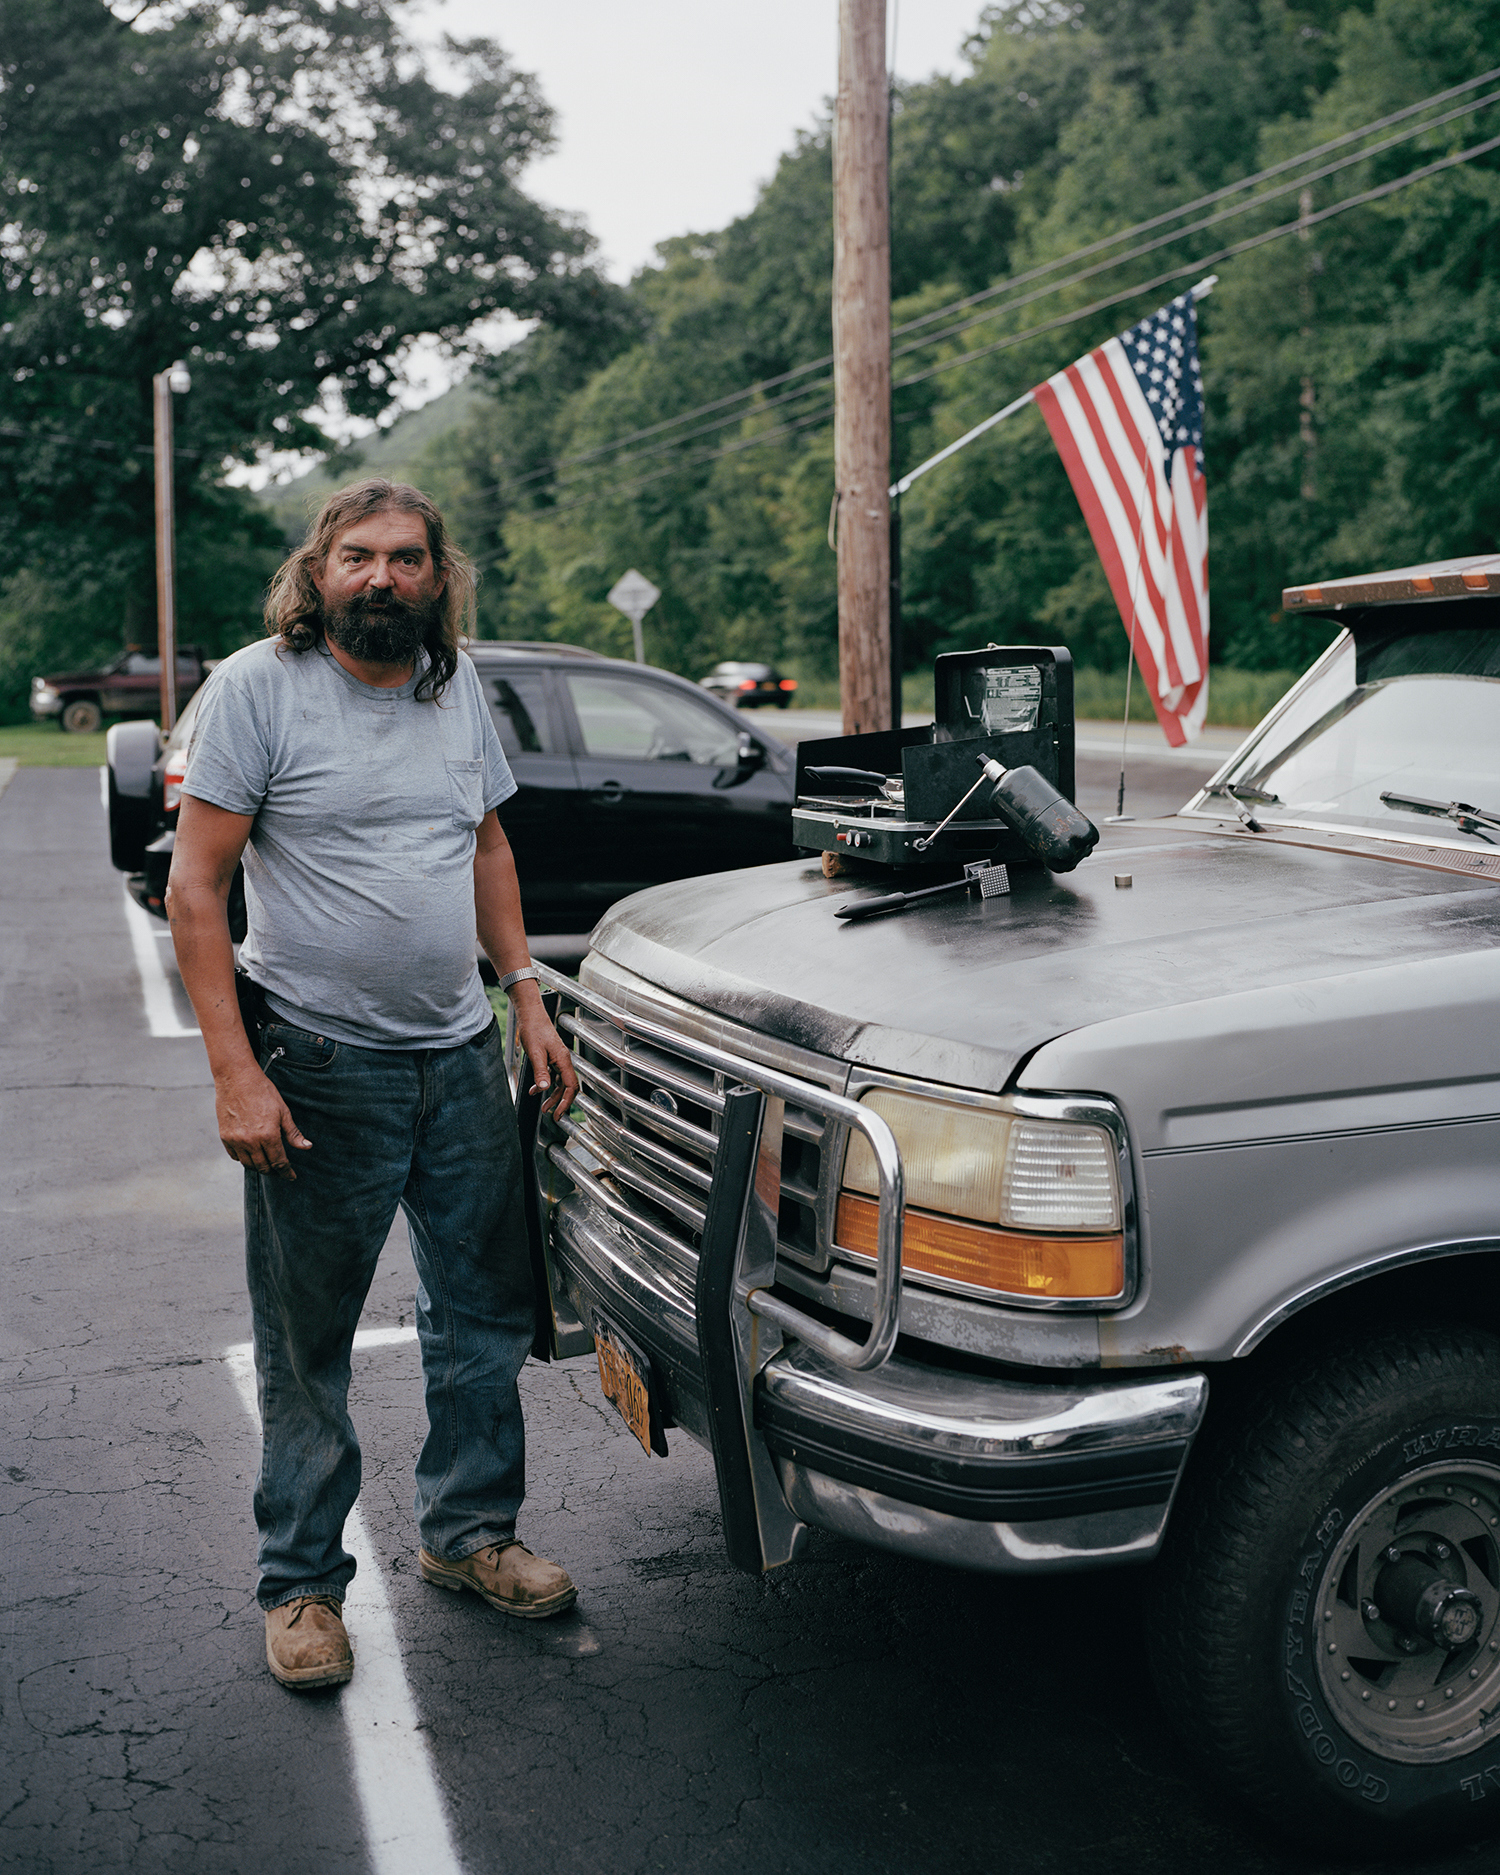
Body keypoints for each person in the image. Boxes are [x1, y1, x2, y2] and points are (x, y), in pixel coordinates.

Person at [167, 478, 580, 1691]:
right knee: (309, 1342)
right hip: (317, 1064)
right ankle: (300, 1583)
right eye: (358, 556)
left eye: (406, 557)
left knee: (483, 1316)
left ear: (437, 574)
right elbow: (197, 890)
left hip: (459, 1058)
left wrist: (524, 991)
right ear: (320, 570)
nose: (382, 577)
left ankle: (470, 1535)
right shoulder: (257, 688)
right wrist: (235, 1074)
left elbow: (488, 846)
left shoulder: (455, 686)